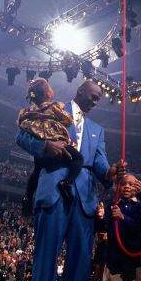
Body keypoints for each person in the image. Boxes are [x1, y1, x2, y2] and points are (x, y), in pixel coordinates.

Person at [16, 79, 124, 281]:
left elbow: (102, 168)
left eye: (99, 98)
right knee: (45, 268)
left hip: (85, 202)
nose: (96, 101)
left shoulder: (97, 131)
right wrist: (44, 146)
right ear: (80, 92)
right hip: (52, 193)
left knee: (78, 274)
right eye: (93, 96)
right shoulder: (54, 108)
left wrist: (113, 172)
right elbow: (22, 137)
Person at [17, 78, 84, 214]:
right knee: (79, 159)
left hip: (42, 156)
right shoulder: (55, 107)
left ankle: (27, 198)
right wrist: (45, 146)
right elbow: (68, 120)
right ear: (48, 94)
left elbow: (22, 125)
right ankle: (67, 183)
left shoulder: (29, 112)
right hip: (56, 151)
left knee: (36, 171)